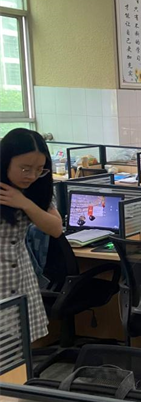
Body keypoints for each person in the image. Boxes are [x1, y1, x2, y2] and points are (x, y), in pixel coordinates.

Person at [0, 129, 63, 342]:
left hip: (20, 275)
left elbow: (55, 228)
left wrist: (24, 203)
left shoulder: (35, 189)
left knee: (19, 347)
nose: (32, 176)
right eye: (25, 168)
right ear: (5, 161)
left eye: (39, 169)